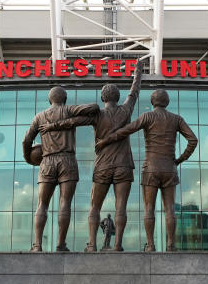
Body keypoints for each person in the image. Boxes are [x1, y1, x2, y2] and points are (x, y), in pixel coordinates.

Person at [38, 59, 144, 251]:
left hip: (102, 165)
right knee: (121, 207)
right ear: (117, 97)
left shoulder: (96, 115)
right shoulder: (126, 110)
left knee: (95, 207)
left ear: (103, 98)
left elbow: (72, 122)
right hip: (123, 165)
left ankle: (92, 244)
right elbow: (134, 92)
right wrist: (138, 73)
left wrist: (51, 126)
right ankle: (118, 245)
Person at [94, 90, 198, 251]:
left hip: (151, 168)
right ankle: (171, 245)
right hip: (169, 167)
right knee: (170, 208)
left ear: (152, 102)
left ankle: (150, 245)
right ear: (167, 102)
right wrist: (179, 159)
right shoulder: (176, 119)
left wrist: (105, 141)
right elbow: (193, 140)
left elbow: (125, 131)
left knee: (149, 208)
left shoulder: (147, 117)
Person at [21, 87, 98, 251]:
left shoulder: (39, 117)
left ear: (50, 100)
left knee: (42, 204)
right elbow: (94, 107)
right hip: (67, 160)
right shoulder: (69, 110)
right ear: (64, 99)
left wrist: (29, 159)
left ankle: (37, 245)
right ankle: (61, 244)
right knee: (65, 203)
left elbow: (26, 141)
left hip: (47, 161)